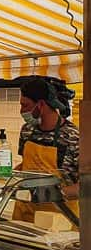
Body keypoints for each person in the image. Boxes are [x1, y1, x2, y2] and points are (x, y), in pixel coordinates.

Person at [16, 77, 79, 220]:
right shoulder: (26, 130)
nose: (21, 111)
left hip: (59, 219)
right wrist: (10, 177)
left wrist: (56, 194)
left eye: (25, 105)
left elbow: (86, 185)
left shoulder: (73, 136)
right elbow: (25, 164)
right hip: (25, 214)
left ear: (41, 105)